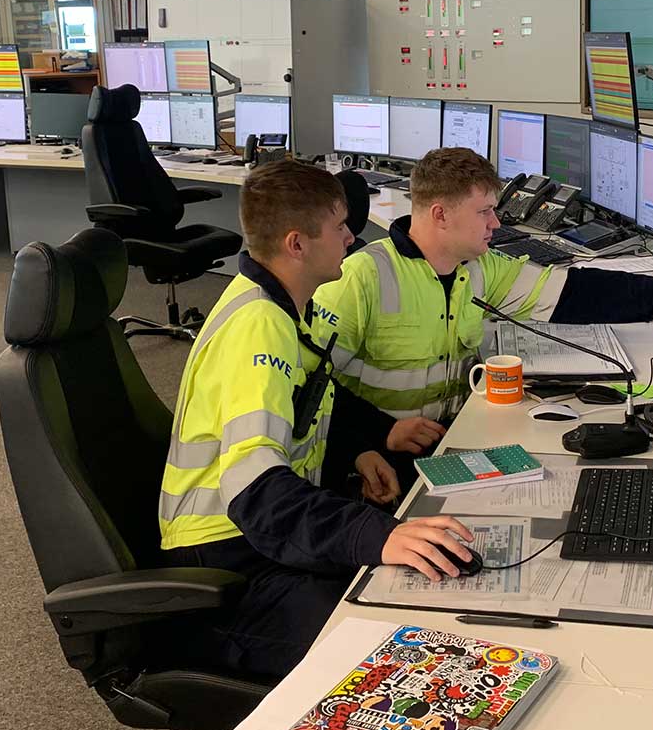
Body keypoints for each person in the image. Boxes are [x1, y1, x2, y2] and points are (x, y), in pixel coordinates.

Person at [158, 160, 473, 678]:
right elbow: (256, 491)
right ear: (297, 244)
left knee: (413, 584)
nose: (352, 238)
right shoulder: (257, 329)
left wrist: (366, 443)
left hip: (262, 536)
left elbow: (314, 392)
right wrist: (377, 536)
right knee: (393, 646)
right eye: (339, 227)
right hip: (227, 560)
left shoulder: (282, 304)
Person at [311, 147, 653, 428]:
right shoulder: (361, 277)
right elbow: (315, 388)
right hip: (382, 451)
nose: (497, 222)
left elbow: (575, 292)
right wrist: (378, 436)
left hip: (456, 432)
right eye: (485, 211)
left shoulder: (481, 267)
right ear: (440, 215)